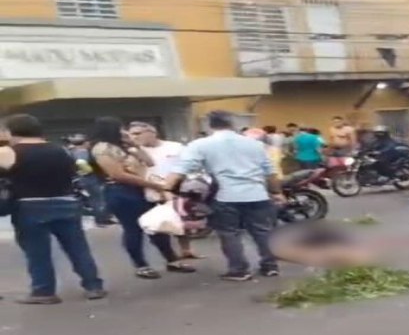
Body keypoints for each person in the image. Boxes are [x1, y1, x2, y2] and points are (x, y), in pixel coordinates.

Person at [165, 111, 285, 281]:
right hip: (257, 194)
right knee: (262, 232)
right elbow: (270, 172)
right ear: (233, 124)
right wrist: (277, 192)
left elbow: (181, 169)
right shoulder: (254, 144)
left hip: (225, 197)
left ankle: (239, 270)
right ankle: (270, 266)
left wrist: (165, 187)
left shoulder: (200, 144)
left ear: (210, 125)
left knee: (229, 233)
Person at [0, 114, 105, 304]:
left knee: (37, 251)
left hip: (30, 205)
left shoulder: (9, 152)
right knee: (77, 248)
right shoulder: (61, 150)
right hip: (67, 203)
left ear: (10, 131)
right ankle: (93, 286)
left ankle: (44, 291)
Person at [89, 117, 195, 279]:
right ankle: (141, 265)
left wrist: (134, 145)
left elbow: (149, 162)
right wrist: (155, 186)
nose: (124, 132)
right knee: (133, 228)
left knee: (157, 225)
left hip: (140, 189)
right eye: (120, 128)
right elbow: (117, 175)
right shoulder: (102, 148)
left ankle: (172, 260)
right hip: (121, 191)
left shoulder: (122, 146)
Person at [128, 121, 200, 260]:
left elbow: (188, 165)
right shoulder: (135, 153)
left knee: (181, 220)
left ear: (152, 133)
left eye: (138, 133)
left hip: (177, 187)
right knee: (158, 223)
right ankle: (169, 255)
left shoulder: (175, 147)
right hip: (150, 190)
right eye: (131, 134)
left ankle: (186, 249)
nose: (134, 137)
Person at [66, 133, 113, 227]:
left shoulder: (72, 151)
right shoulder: (82, 152)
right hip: (89, 179)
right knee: (97, 199)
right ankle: (101, 219)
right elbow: (81, 163)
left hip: (82, 178)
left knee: (95, 199)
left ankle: (103, 218)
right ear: (86, 143)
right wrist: (89, 170)